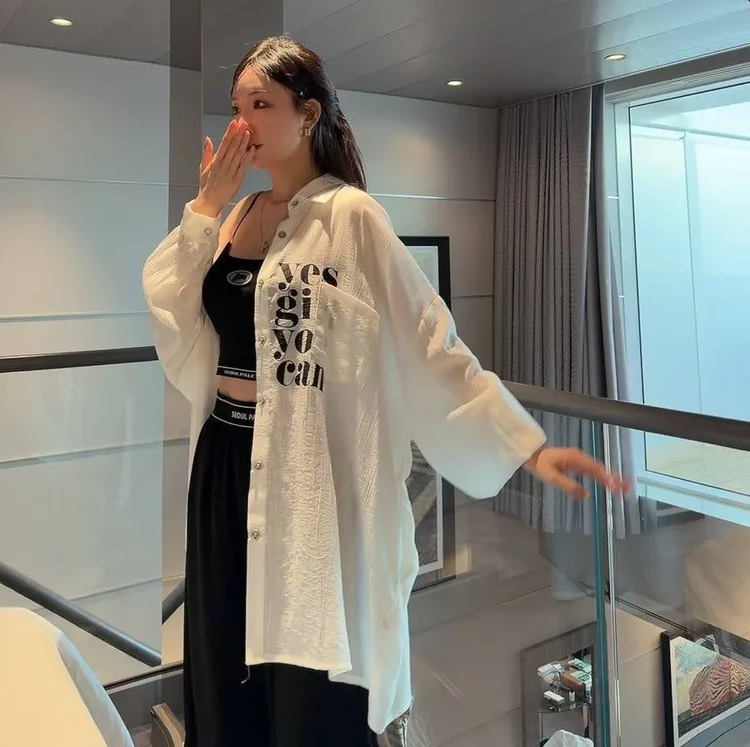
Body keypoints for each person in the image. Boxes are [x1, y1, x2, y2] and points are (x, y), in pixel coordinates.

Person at [142, 36, 626, 747]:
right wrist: (206, 204)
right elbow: (173, 311)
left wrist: (526, 446)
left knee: (312, 668)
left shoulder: (351, 217)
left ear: (308, 114)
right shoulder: (234, 216)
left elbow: (426, 336)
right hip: (222, 463)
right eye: (237, 105)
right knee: (225, 653)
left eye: (261, 104)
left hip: (310, 478)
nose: (242, 122)